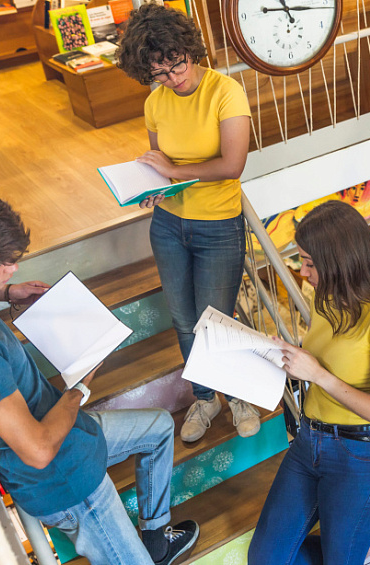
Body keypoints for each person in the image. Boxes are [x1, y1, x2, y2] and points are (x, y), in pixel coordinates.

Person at [0, 183, 198, 565]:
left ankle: (155, 539)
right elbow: (38, 451)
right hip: (66, 481)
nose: (12, 269)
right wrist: (80, 387)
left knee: (159, 428)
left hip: (72, 434)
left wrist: (7, 292)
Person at [117, 3, 260, 443]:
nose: (173, 77)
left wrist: (173, 172)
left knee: (215, 319)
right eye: (159, 73)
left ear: (189, 49)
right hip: (168, 225)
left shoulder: (225, 92)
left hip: (217, 225)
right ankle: (206, 397)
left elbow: (232, 165)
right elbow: (160, 165)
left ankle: (238, 396)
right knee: (184, 322)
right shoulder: (155, 102)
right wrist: (153, 186)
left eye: (176, 64)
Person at [248, 201, 370, 565]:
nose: (303, 271)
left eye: (310, 262)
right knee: (264, 558)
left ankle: (356, 552)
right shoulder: (326, 300)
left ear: (339, 260)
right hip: (310, 442)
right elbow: (321, 361)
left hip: (362, 456)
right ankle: (357, 551)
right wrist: (289, 360)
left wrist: (318, 375)